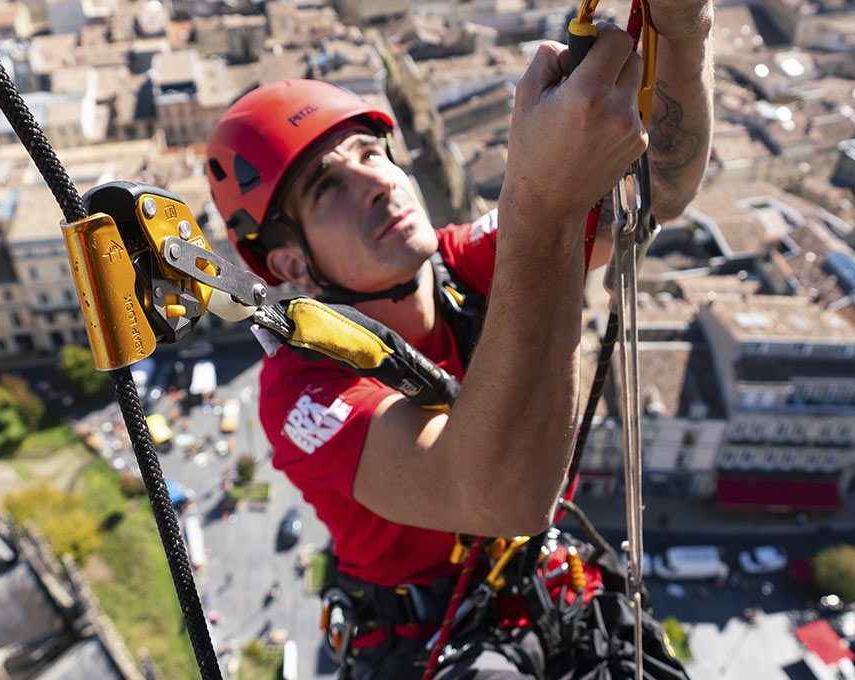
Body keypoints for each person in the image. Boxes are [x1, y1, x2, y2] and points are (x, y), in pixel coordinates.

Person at [206, 9, 713, 678]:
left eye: (372, 153)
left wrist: (682, 35)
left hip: (549, 592)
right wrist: (547, 203)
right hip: (431, 646)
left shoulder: (466, 264)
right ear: (291, 266)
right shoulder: (302, 391)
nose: (377, 182)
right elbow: (497, 496)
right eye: (328, 187)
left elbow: (658, 194)